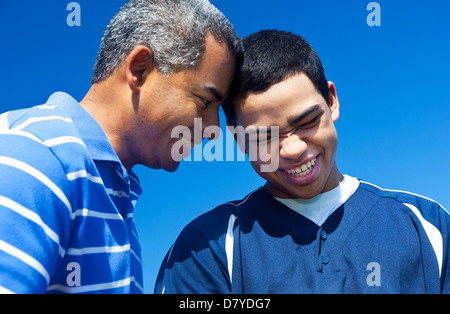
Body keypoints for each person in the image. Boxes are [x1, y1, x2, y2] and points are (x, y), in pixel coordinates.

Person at [154, 30, 450, 294]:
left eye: (307, 122)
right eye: (265, 138)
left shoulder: (428, 226)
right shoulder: (205, 249)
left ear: (331, 101)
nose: (293, 149)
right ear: (238, 139)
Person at [0, 0, 242, 294]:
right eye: (205, 101)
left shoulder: (114, 197)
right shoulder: (35, 156)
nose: (213, 130)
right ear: (139, 69)